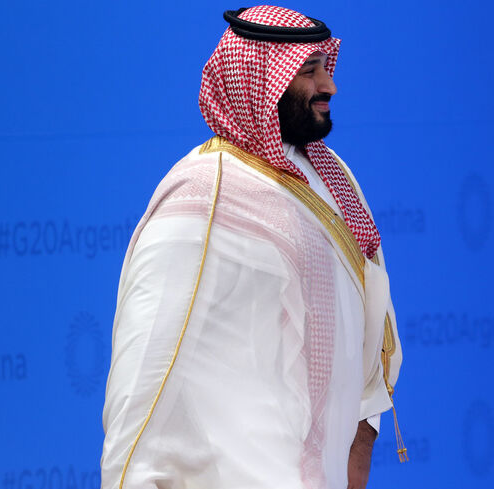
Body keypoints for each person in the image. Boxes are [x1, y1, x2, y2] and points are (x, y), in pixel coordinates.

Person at [100, 6, 404, 489]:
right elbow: (145, 384)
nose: (330, 86)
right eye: (309, 70)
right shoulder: (203, 199)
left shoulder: (330, 176)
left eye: (328, 66)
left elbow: (366, 328)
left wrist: (361, 440)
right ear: (257, 80)